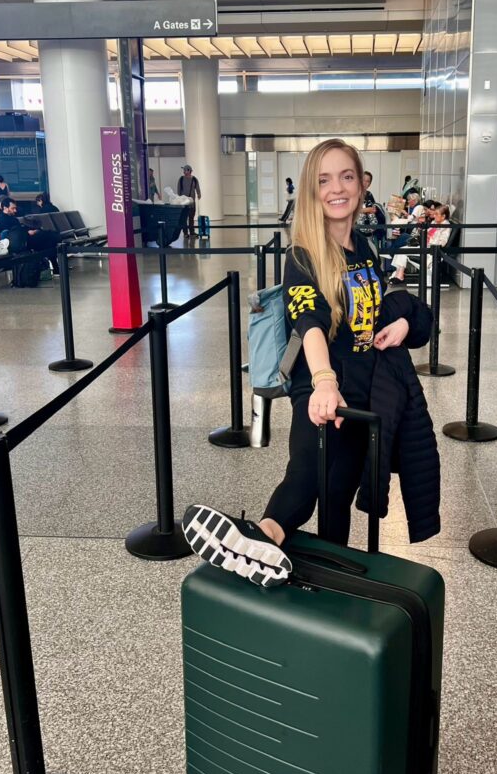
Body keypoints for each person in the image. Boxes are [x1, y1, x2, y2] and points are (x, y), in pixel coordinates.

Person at [181, 138, 438, 586]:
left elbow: (375, 311)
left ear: (362, 183)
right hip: (320, 385)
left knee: (338, 493)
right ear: (311, 190)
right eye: (324, 180)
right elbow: (310, 321)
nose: (337, 188)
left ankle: (328, 584)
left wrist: (398, 326)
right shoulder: (301, 255)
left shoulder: (365, 249)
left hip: (364, 388)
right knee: (306, 470)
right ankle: (259, 538)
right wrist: (323, 382)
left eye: (346, 176)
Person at [389, 204, 451, 286]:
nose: (434, 216)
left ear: (443, 216)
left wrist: (429, 239)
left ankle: (399, 276)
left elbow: (442, 242)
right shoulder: (434, 223)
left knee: (403, 248)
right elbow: (426, 233)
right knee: (402, 249)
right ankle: (399, 274)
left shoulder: (446, 226)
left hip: (431, 251)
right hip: (424, 246)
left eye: (436, 214)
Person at [0, 197, 60, 274]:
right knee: (49, 238)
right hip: (21, 243)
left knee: (49, 241)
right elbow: (12, 235)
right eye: (13, 208)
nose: (15, 210)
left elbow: (18, 229)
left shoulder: (12, 218)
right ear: (5, 208)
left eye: (15, 208)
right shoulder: (2, 220)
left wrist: (30, 231)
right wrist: (27, 232)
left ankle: (55, 267)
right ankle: (55, 267)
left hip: (25, 239)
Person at [177, 163, 201, 236]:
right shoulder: (181, 179)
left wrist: (199, 194)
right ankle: (185, 233)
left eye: (185, 170)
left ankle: (192, 232)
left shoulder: (194, 179)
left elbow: (197, 188)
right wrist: (180, 199)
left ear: (189, 171)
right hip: (184, 203)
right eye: (184, 170)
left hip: (191, 203)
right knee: (184, 218)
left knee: (191, 218)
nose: (184, 171)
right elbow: (178, 190)